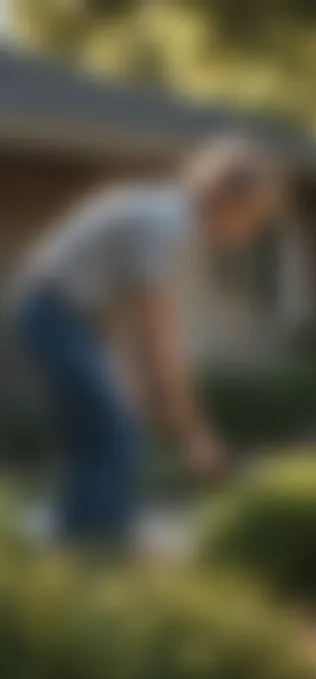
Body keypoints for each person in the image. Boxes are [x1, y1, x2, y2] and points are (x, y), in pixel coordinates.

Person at [7, 138, 285, 551]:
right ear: (228, 198)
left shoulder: (168, 217)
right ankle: (92, 553)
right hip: (52, 313)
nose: (248, 233)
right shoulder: (165, 224)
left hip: (73, 320)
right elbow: (160, 343)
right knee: (112, 434)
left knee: (109, 431)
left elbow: (136, 330)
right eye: (251, 217)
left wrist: (139, 391)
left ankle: (86, 543)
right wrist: (196, 436)